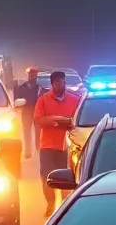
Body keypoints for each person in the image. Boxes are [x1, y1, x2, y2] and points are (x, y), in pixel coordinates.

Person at [33, 70, 80, 216]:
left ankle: (66, 207)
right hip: (48, 145)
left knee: (67, 178)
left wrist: (60, 121)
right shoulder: (44, 100)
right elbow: (38, 120)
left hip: (68, 146)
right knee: (47, 176)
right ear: (52, 84)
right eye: (58, 83)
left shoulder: (74, 100)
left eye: (63, 82)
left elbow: (76, 120)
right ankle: (50, 203)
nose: (61, 85)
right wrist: (57, 119)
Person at [14, 67, 42, 159]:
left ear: (36, 75)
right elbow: (17, 99)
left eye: (33, 74)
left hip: (37, 112)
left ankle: (38, 151)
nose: (31, 76)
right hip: (26, 111)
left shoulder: (40, 88)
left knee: (38, 132)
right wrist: (18, 105)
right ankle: (28, 151)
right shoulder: (22, 87)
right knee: (27, 132)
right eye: (30, 74)